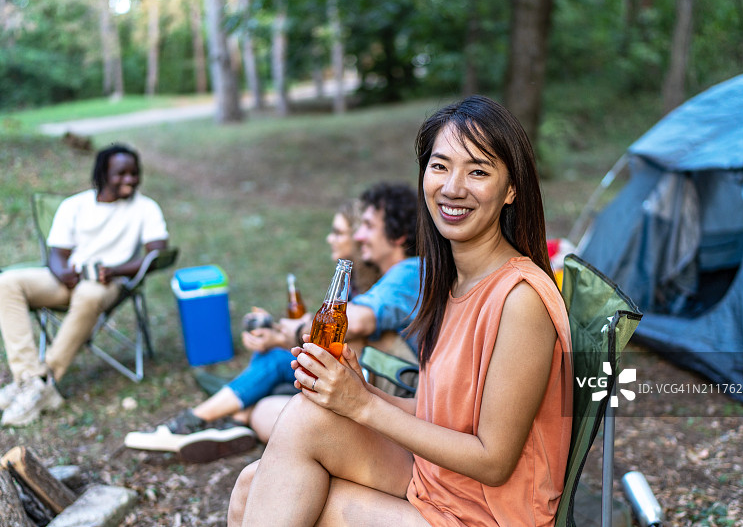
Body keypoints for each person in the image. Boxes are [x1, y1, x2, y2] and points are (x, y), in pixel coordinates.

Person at [227, 95, 573, 526]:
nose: (452, 187)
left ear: (510, 189)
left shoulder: (520, 300)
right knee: (252, 481)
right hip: (445, 483)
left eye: (478, 171)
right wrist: (359, 390)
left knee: (294, 495)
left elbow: (494, 460)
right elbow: (442, 414)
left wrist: (363, 408)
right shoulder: (453, 280)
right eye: (440, 166)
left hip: (490, 513)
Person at [126, 183, 421, 461]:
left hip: (390, 393)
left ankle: (191, 423)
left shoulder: (409, 271)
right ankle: (233, 422)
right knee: (273, 383)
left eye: (368, 227)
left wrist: (288, 334)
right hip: (373, 382)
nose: (359, 236)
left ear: (398, 237)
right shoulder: (384, 278)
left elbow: (355, 324)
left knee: (276, 366)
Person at [0, 144, 169, 427]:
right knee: (5, 282)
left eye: (135, 173)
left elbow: (157, 253)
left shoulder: (145, 208)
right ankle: (29, 379)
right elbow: (57, 255)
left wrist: (115, 270)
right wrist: (62, 273)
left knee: (88, 292)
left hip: (108, 283)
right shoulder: (74, 205)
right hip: (67, 279)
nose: (130, 179)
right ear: (102, 173)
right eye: (121, 173)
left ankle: (43, 381)